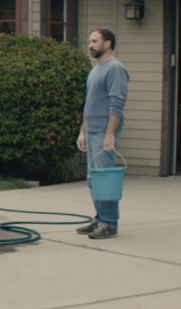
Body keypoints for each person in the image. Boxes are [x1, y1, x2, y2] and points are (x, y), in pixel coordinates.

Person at [76, 28, 129, 239]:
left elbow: (117, 104)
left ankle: (109, 223)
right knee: (93, 179)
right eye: (89, 41)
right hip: (91, 132)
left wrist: (110, 134)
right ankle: (99, 218)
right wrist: (82, 131)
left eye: (95, 41)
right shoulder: (95, 69)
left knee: (105, 178)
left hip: (103, 133)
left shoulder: (115, 69)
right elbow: (90, 104)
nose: (90, 45)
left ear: (108, 44)